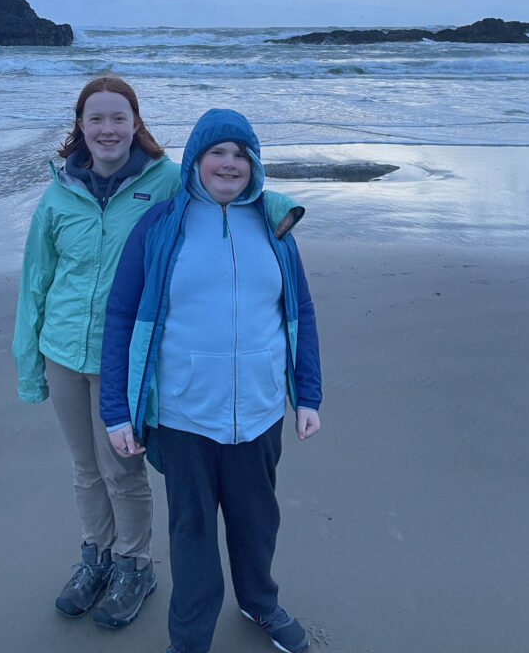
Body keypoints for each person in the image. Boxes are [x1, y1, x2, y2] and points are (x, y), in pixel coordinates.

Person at [100, 108, 322, 653]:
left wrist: (307, 394)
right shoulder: (160, 227)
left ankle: (260, 604)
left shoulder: (275, 226)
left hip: (261, 410)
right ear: (195, 160)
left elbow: (301, 313)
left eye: (241, 154)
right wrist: (116, 409)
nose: (230, 163)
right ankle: (190, 636)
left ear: (256, 165)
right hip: (184, 416)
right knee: (192, 535)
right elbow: (122, 316)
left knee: (257, 524)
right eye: (217, 152)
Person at [12, 76, 180, 629]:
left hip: (125, 360)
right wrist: (29, 362)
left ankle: (135, 566)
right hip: (62, 350)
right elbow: (36, 279)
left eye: (118, 117)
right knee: (85, 469)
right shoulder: (58, 194)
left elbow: (228, 193)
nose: (107, 129)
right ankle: (97, 558)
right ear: (80, 127)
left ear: (136, 124)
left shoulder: (166, 184)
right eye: (95, 119)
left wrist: (277, 206)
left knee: (122, 470)